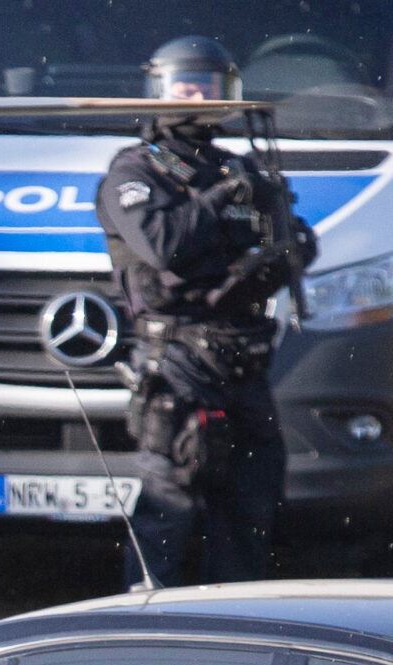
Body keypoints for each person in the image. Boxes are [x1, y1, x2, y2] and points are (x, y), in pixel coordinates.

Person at [97, 36, 315, 589]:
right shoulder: (136, 172)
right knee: (168, 505)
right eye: (184, 86)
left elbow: (299, 244)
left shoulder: (238, 168)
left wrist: (276, 241)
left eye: (208, 87)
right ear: (158, 91)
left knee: (253, 501)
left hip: (243, 361)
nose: (196, 98)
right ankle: (147, 631)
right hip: (178, 363)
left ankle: (235, 623)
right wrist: (222, 202)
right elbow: (166, 246)